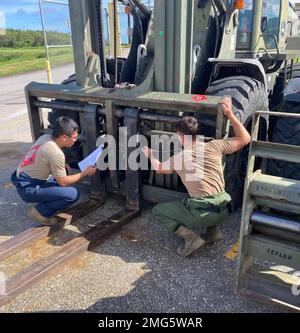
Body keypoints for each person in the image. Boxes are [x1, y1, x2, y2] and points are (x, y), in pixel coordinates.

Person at [142, 97, 251, 257]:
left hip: (203, 214)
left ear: (180, 136)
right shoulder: (215, 145)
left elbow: (159, 168)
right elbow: (245, 139)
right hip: (225, 207)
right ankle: (213, 232)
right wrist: (230, 114)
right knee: (202, 197)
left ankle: (192, 239)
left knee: (158, 211)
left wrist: (150, 155)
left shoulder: (179, 158)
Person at [11, 117, 97, 226]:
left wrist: (61, 165)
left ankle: (48, 199)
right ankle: (40, 212)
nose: (76, 140)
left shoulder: (45, 138)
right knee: (72, 194)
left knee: (63, 172)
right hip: (28, 188)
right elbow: (63, 182)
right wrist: (85, 173)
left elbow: (43, 157)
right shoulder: (56, 153)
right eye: (74, 138)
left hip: (24, 179)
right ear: (64, 137)